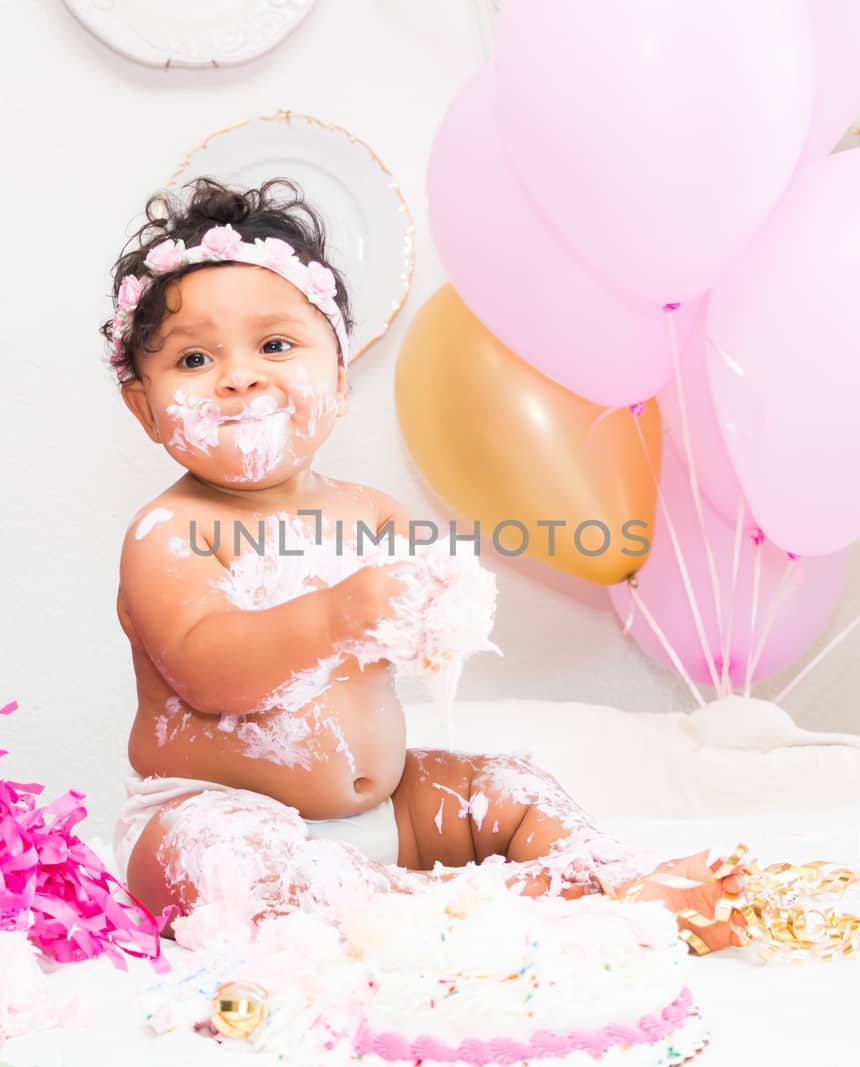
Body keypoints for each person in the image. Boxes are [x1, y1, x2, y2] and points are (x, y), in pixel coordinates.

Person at [106, 178, 744, 951]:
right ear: (145, 406)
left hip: (391, 809)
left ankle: (600, 874)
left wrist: (434, 610)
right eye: (196, 357)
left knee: (506, 783)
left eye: (275, 345)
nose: (239, 375)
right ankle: (469, 908)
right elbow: (209, 671)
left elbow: (411, 635)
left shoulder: (372, 515)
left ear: (338, 382)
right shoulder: (170, 532)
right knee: (236, 865)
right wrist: (339, 612)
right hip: (217, 811)